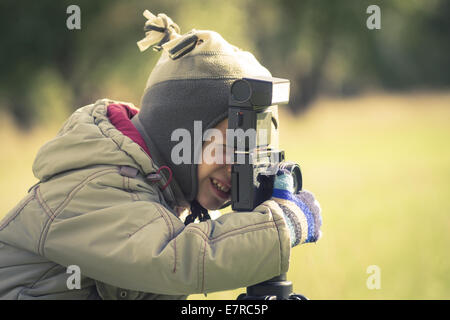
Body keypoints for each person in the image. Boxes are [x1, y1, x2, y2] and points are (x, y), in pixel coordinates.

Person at [0, 10, 322, 300]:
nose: (235, 166)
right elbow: (176, 260)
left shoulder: (161, 196)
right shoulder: (99, 183)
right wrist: (283, 225)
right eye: (226, 145)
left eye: (250, 152)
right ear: (180, 130)